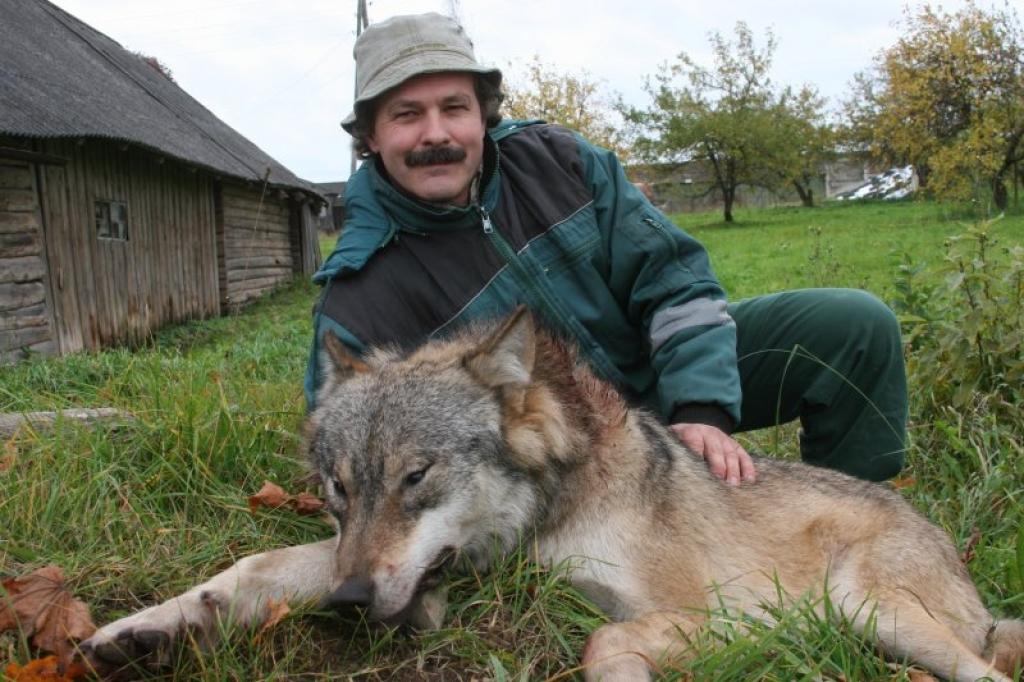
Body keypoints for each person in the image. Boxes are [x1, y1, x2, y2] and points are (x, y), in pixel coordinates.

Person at [305, 12, 908, 483]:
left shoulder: (560, 162)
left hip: (659, 380)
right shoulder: (361, 291)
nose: (435, 133)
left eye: (454, 107)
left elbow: (675, 283)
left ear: (482, 116)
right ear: (370, 135)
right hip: (564, 455)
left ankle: (838, 516)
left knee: (854, 326)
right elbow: (350, 443)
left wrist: (701, 409)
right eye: (407, 114)